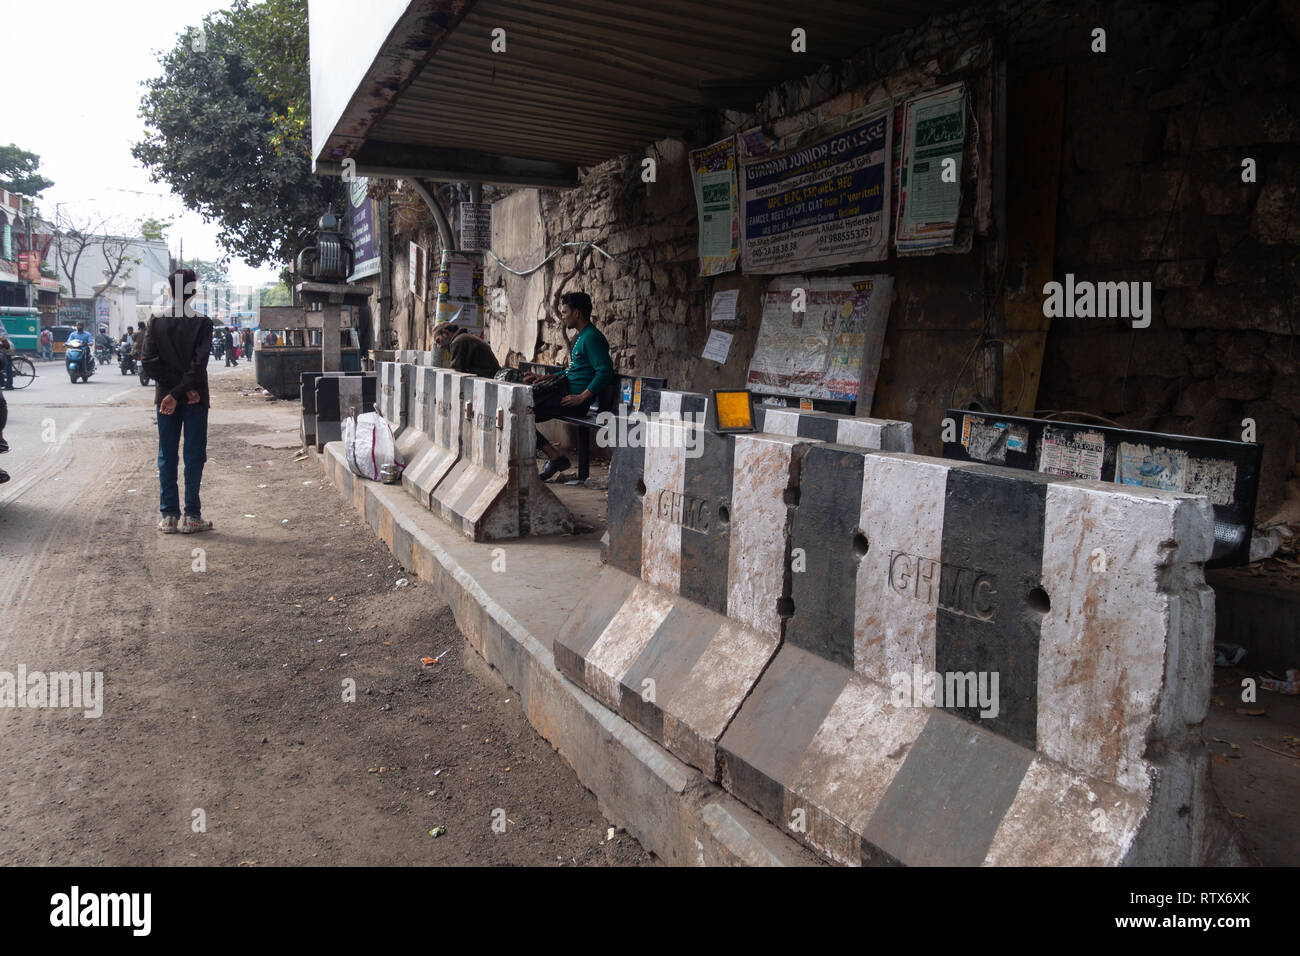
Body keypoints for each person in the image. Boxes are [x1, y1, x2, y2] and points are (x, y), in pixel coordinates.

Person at [143, 268, 214, 534]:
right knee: (194, 455)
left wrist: (172, 393)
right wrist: (184, 392)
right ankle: (192, 517)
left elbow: (149, 363)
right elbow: (199, 365)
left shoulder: (156, 321)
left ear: (170, 292)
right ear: (194, 292)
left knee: (167, 455)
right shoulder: (203, 323)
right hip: (195, 398)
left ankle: (169, 517)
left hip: (166, 400)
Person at [520, 292, 613, 482]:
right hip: (565, 392)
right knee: (520, 410)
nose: (562, 316)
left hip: (573, 399)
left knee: (521, 413)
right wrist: (545, 377)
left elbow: (605, 372)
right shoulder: (582, 336)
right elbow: (574, 371)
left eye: (564, 312)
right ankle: (554, 458)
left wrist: (582, 397)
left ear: (576, 313)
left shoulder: (592, 338)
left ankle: (555, 458)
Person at [434, 323, 500, 378]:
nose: (440, 346)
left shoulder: (458, 341)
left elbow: (456, 371)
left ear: (446, 333)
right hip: (489, 375)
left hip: (489, 377)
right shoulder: (462, 338)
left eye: (438, 341)